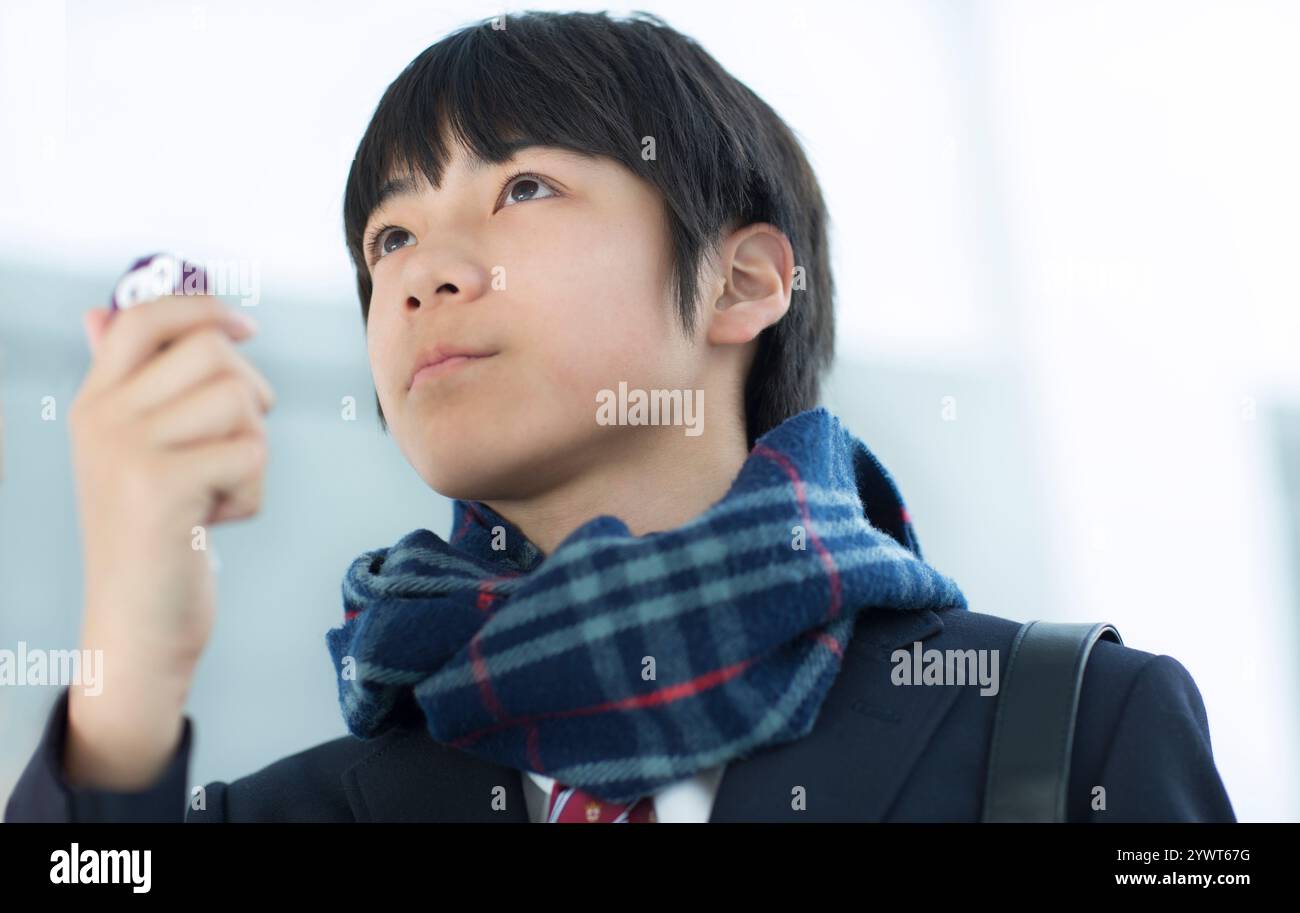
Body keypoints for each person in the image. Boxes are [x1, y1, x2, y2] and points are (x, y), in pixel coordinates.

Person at [4, 10, 1235, 823]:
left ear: (743, 280)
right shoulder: (294, 812)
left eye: (523, 187)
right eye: (387, 238)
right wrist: (130, 670)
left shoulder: (1066, 726)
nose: (422, 274)